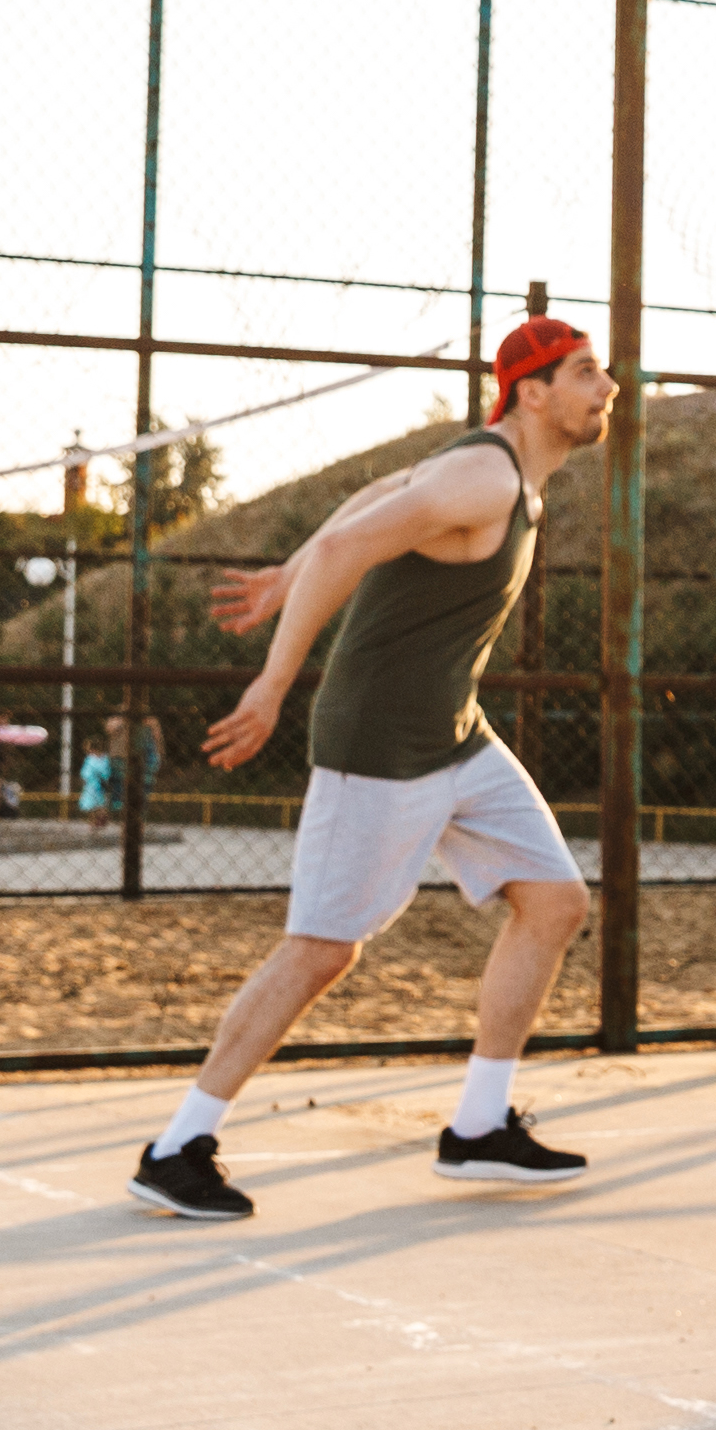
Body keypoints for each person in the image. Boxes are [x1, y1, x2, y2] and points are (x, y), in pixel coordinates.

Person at [123, 315, 619, 1221]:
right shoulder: (482, 474)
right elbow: (354, 544)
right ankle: (177, 1146)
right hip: (382, 746)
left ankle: (477, 1129)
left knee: (554, 900)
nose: (608, 387)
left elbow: (370, 498)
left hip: (455, 735)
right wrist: (273, 684)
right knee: (322, 950)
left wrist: (287, 567)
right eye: (588, 372)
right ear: (534, 393)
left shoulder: (482, 467)